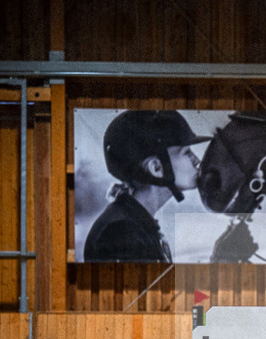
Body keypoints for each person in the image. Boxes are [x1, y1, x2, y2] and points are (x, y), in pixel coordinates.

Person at [83, 110, 210, 262]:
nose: (196, 160)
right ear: (156, 168)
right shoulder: (122, 233)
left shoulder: (133, 223)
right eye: (186, 152)